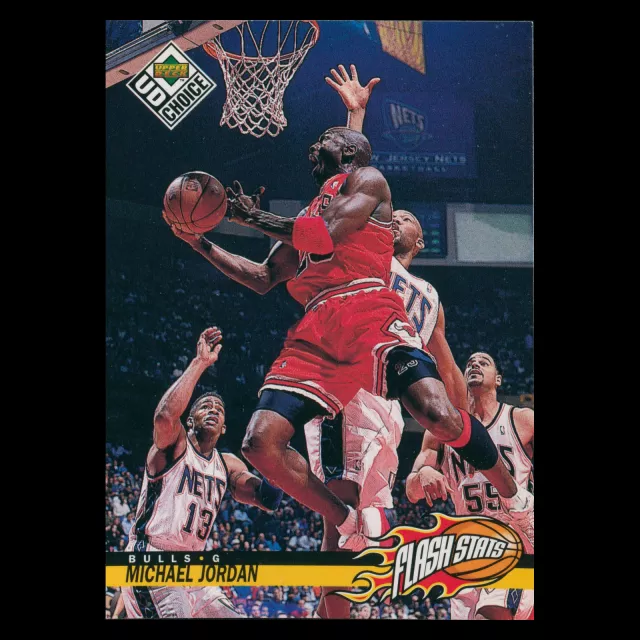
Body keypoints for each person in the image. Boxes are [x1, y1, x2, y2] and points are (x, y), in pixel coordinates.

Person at [163, 68, 532, 553]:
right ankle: (346, 520)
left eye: (326, 139)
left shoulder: (369, 184)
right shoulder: (307, 214)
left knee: (437, 414)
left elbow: (325, 227)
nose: (314, 145)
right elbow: (262, 277)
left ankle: (516, 497)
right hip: (317, 328)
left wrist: (249, 215)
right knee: (259, 443)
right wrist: (200, 242)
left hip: (370, 310)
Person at [120, 327, 283, 619]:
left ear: (224, 428)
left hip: (195, 569)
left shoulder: (227, 464)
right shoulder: (175, 444)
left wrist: (276, 457)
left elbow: (268, 499)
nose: (213, 410)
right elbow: (165, 417)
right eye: (205, 406)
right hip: (153, 557)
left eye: (219, 409)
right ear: (190, 419)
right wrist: (200, 363)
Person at [406, 351, 534, 620]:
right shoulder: (440, 430)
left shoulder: (522, 420)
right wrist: (424, 472)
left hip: (512, 540)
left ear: (498, 379)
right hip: (467, 548)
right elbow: (412, 491)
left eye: (484, 362)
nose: (475, 364)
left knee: (490, 613)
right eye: (470, 363)